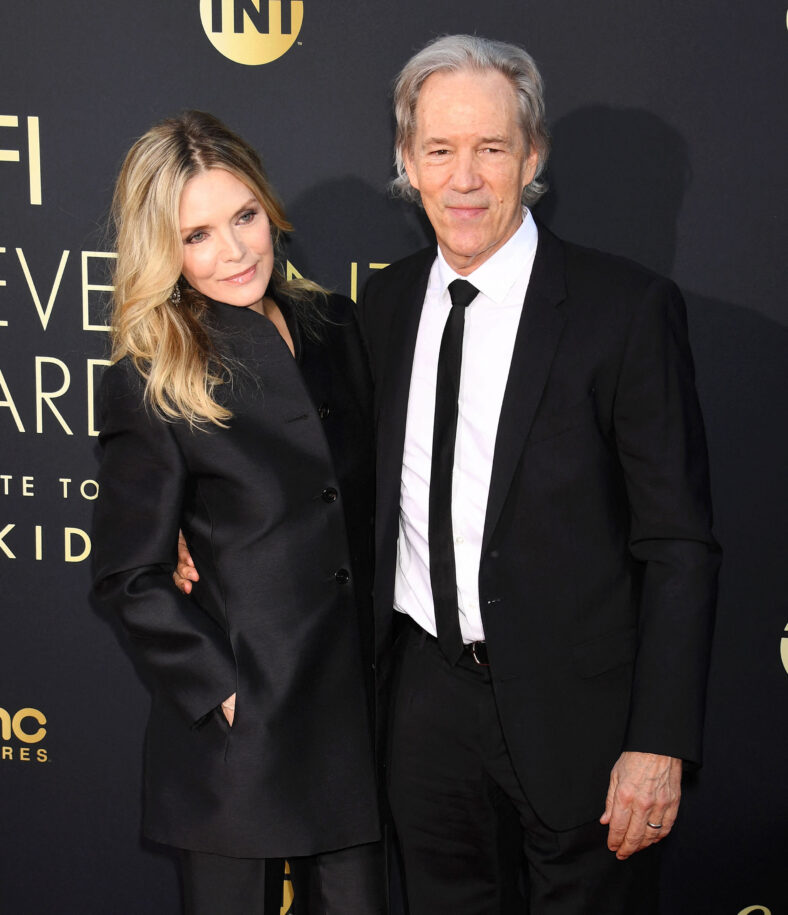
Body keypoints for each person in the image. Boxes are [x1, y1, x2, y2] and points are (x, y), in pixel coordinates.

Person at [358, 35, 720, 914]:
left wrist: (658, 741)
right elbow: (328, 475)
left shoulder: (623, 310)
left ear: (534, 154)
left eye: (491, 148)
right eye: (440, 151)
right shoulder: (385, 304)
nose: (466, 178)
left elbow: (678, 543)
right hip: (423, 707)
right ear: (408, 162)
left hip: (583, 722)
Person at [92, 110, 386, 915]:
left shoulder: (333, 327)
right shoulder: (154, 373)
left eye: (245, 216)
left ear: (269, 204)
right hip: (237, 746)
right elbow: (128, 575)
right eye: (198, 235)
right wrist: (228, 692)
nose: (234, 251)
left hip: (351, 726)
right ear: (164, 249)